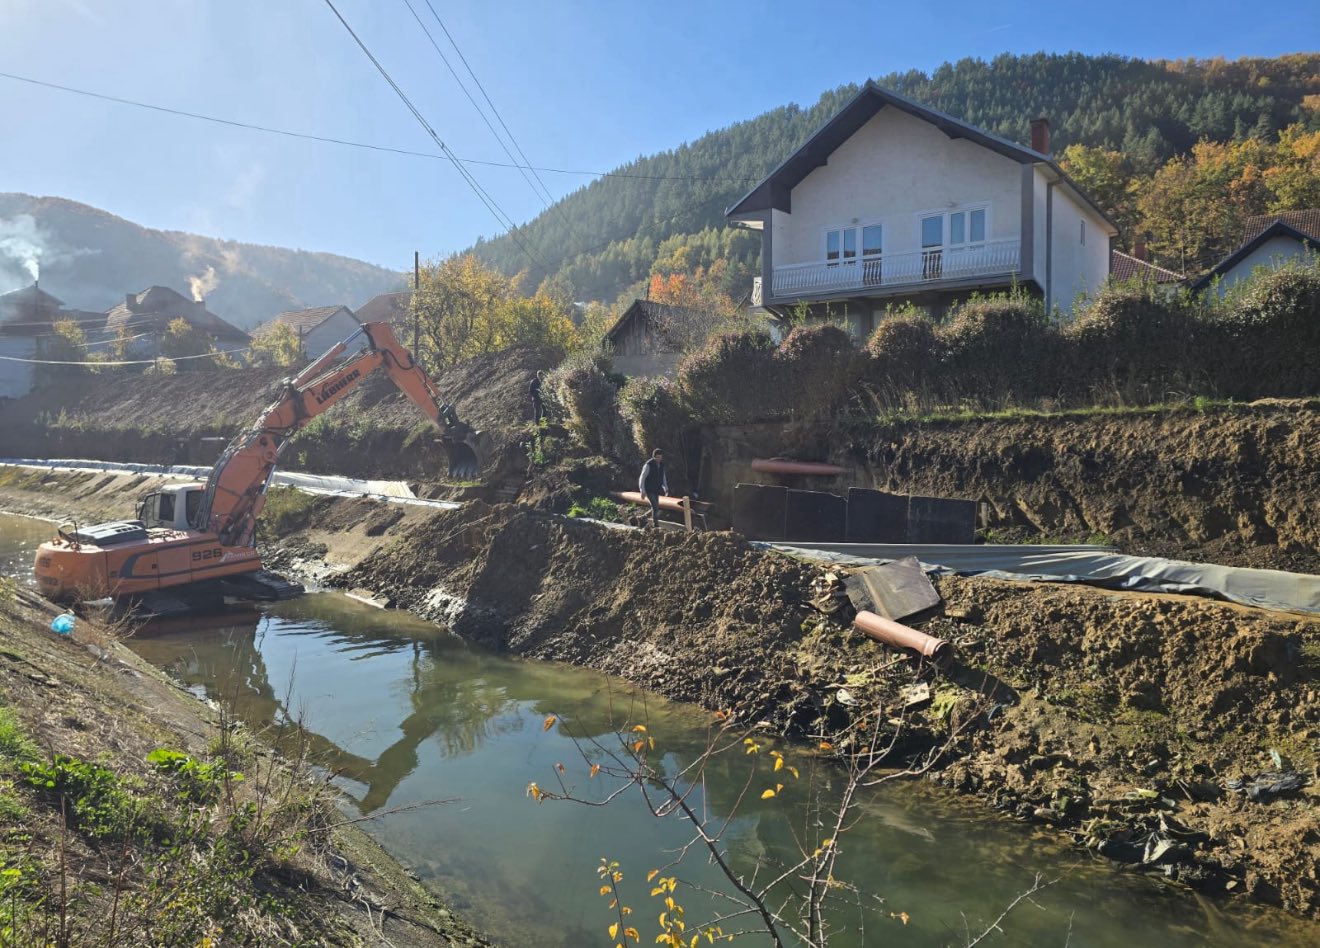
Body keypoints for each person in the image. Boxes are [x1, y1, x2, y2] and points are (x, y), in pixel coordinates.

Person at [638, 448, 668, 528]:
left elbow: (663, 477)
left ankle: (643, 518)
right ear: (653, 457)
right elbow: (642, 478)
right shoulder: (648, 465)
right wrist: (642, 490)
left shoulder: (661, 465)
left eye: (660, 457)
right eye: (657, 457)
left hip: (656, 489)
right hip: (649, 489)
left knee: (655, 507)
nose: (659, 459)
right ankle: (656, 525)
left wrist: (666, 487)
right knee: (655, 507)